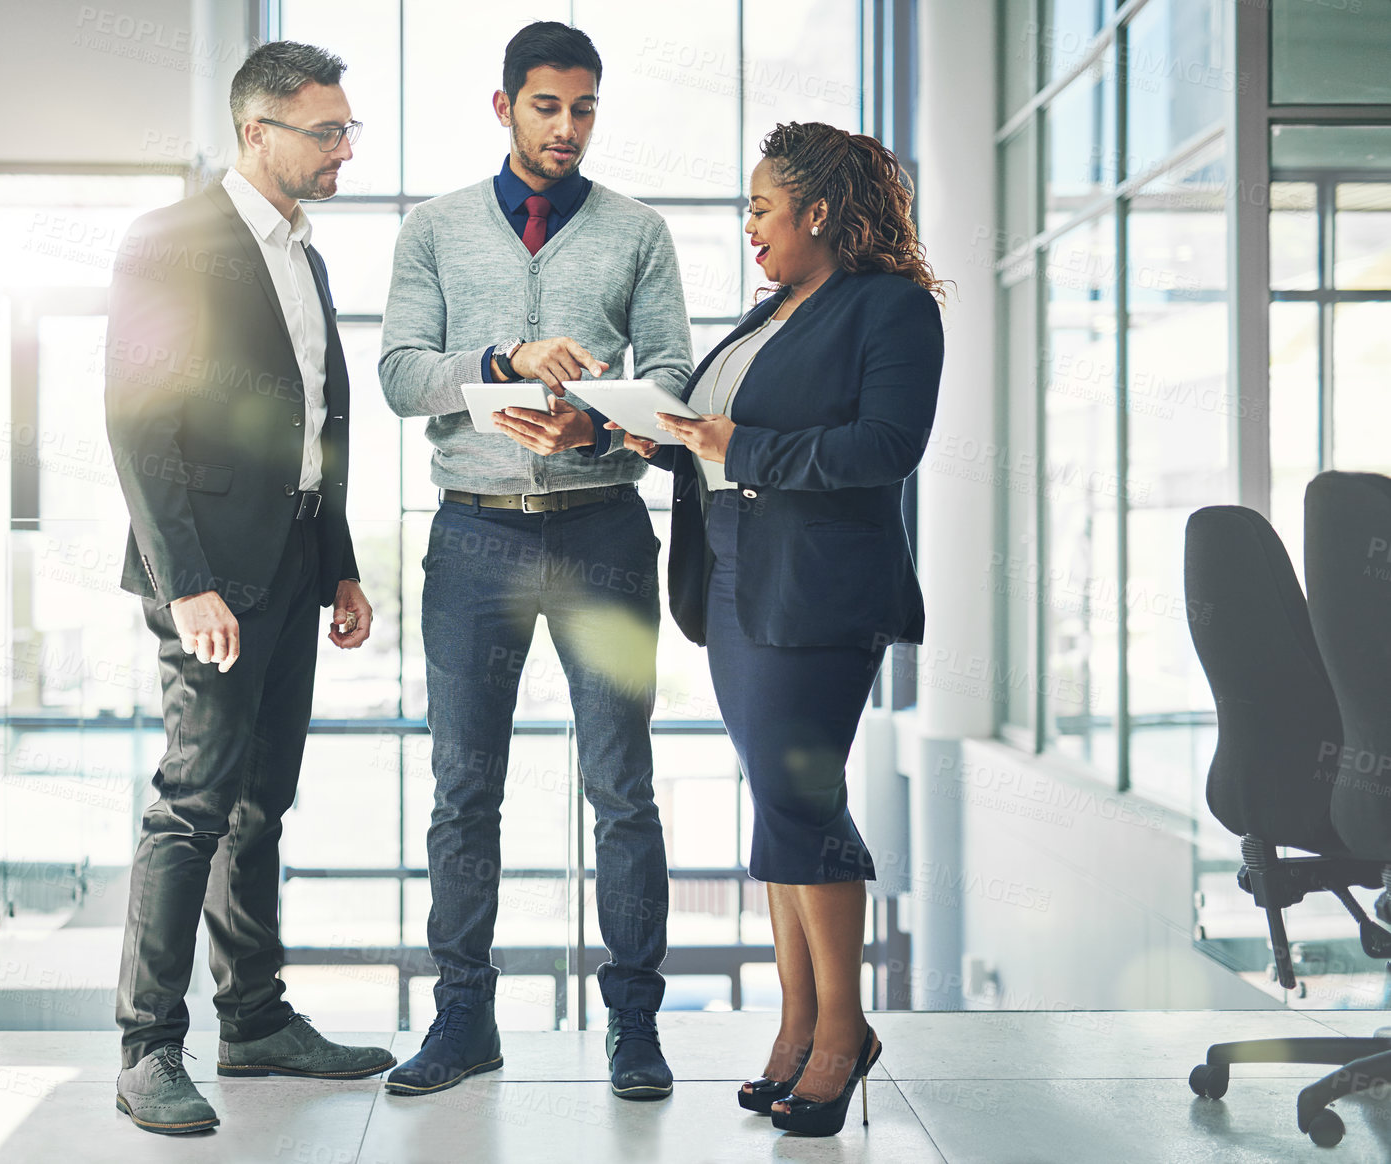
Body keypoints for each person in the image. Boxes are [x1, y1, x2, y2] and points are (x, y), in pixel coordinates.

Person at [378, 21, 692, 1102]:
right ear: (504, 104)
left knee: (622, 788)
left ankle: (635, 1028)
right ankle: (463, 1020)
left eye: (585, 107)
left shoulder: (640, 232)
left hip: (604, 531)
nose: (568, 126)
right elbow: (400, 373)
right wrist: (505, 365)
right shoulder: (433, 230)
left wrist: (598, 430)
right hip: (474, 534)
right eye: (548, 105)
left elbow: (674, 386)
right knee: (464, 790)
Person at [618, 121, 944, 1137]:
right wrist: (656, 437)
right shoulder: (776, 310)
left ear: (817, 211)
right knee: (777, 809)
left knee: (801, 806)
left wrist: (737, 443)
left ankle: (844, 1032)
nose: (748, 225)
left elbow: (887, 446)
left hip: (816, 597)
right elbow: (723, 446)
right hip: (734, 585)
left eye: (761, 206)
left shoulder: (893, 309)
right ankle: (798, 1021)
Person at [104, 41, 393, 1135]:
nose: (343, 149)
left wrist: (344, 566)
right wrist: (187, 587)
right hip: (211, 584)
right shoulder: (173, 242)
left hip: (292, 570)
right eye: (327, 131)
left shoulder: (303, 257)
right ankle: (146, 1050)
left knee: (261, 804)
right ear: (257, 133)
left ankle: (256, 1020)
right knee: (192, 804)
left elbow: (315, 426)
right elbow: (139, 419)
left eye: (348, 129)